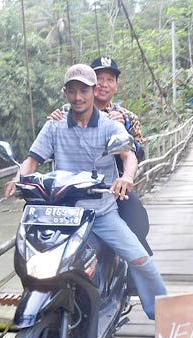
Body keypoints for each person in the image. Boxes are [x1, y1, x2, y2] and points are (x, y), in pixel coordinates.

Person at [5, 64, 166, 320]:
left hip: (100, 212)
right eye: (72, 91)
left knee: (141, 260)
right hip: (61, 214)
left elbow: (129, 156)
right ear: (65, 92)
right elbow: (32, 160)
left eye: (84, 90)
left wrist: (126, 177)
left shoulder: (110, 125)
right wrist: (18, 178)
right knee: (33, 259)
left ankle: (166, 316)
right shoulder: (54, 125)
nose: (78, 97)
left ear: (93, 92)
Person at [48, 56, 153, 257]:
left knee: (136, 219)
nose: (104, 84)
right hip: (73, 188)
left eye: (110, 79)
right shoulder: (66, 112)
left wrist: (125, 130)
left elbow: (139, 152)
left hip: (111, 188)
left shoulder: (127, 117)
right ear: (92, 84)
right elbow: (52, 144)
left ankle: (132, 274)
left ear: (116, 85)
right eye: (99, 78)